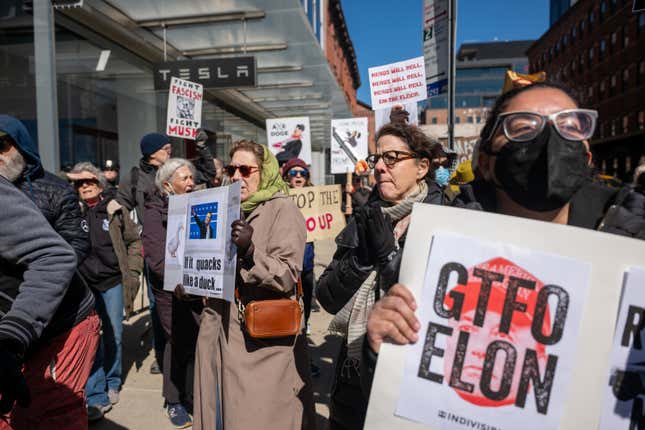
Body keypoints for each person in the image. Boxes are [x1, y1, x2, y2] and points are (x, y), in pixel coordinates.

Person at [364, 81, 645, 402]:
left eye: (569, 127)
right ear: (485, 160)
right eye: (523, 127)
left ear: (586, 156)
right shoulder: (434, 255)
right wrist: (381, 351)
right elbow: (405, 398)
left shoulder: (636, 252)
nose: (548, 141)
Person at [316, 121, 443, 429]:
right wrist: (361, 261)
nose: (380, 168)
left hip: (409, 379)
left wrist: (390, 260)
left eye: (393, 158)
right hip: (352, 380)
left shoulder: (448, 218)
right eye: (377, 159)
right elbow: (327, 297)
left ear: (422, 167)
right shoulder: (364, 217)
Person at [193, 140, 314, 430]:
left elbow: (287, 273)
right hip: (216, 331)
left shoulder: (282, 209)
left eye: (246, 170)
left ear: (265, 172)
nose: (236, 176)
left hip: (259, 344)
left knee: (258, 417)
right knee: (218, 413)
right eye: (233, 169)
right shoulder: (222, 206)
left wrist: (250, 252)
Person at [0, 133, 99, 429]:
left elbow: (63, 253)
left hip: (62, 323)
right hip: (18, 326)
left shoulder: (54, 189)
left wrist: (12, 336)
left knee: (50, 415)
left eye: (3, 146)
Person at [67, 162, 142, 421]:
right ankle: (96, 394)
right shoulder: (70, 212)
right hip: (84, 286)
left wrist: (132, 273)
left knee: (114, 335)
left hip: (112, 283)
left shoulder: (115, 208)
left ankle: (112, 381)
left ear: (100, 183)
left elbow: (133, 242)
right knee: (91, 338)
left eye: (89, 181)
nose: (84, 186)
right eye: (79, 183)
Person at [143, 158, 202, 428]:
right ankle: (174, 400)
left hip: (197, 289)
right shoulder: (155, 212)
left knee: (197, 343)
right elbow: (156, 262)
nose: (190, 183)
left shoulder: (199, 205)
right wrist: (184, 279)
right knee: (177, 343)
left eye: (191, 178)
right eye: (184, 179)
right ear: (167, 185)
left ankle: (192, 396)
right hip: (171, 292)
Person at [117, 132, 171, 376]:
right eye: (166, 148)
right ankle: (162, 356)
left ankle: (180, 351)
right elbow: (121, 207)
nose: (169, 151)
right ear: (152, 152)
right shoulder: (134, 178)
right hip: (152, 251)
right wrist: (133, 236)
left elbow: (203, 176)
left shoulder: (175, 171)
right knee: (157, 306)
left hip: (178, 248)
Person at [282, 157, 320, 377]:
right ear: (287, 176)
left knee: (304, 316)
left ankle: (303, 359)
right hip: (287, 266)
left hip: (306, 266)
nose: (298, 176)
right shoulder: (279, 198)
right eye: (294, 172)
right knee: (289, 315)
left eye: (302, 173)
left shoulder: (314, 199)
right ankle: (290, 361)